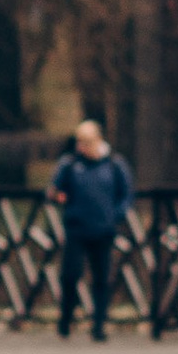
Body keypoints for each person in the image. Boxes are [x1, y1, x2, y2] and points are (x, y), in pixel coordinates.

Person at [51, 120, 133, 341]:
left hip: (103, 229)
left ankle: (98, 325)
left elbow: (126, 194)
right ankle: (66, 318)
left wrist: (115, 215)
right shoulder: (69, 164)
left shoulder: (114, 164)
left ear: (97, 141)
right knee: (70, 275)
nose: (81, 147)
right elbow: (54, 189)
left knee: (101, 279)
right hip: (76, 228)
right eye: (79, 142)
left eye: (85, 142)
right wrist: (58, 196)